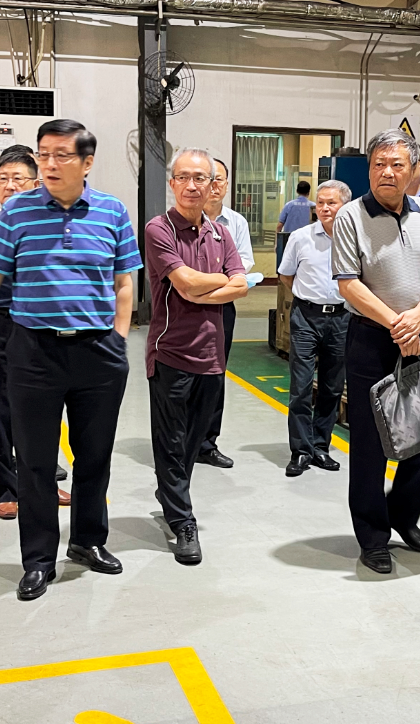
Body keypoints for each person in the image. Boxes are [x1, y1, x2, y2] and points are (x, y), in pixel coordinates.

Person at [0, 119, 141, 602]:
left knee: (94, 455)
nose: (49, 164)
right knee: (34, 461)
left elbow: (124, 282)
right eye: (43, 154)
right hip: (33, 352)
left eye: (61, 155)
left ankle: (88, 541)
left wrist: (117, 340)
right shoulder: (17, 213)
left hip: (98, 352)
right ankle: (38, 559)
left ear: (87, 163)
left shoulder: (113, 212)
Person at [332, 129, 420, 575]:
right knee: (371, 444)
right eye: (379, 163)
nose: (387, 172)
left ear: (414, 170)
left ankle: (402, 513)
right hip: (372, 339)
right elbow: (349, 284)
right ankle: (372, 536)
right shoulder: (350, 216)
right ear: (369, 169)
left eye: (397, 164)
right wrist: (399, 326)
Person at [144, 148, 248, 566]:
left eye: (200, 178)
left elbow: (242, 285)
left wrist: (209, 287)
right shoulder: (159, 229)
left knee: (191, 442)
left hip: (211, 355)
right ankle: (183, 521)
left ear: (212, 186)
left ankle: (171, 494)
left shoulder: (221, 234)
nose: (192, 185)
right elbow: (184, 283)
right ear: (173, 183)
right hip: (171, 352)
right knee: (170, 443)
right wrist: (220, 281)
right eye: (183, 177)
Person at [0, 146, 71, 519]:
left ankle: (42, 482)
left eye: (17, 179)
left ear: (35, 184)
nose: (9, 186)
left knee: (42, 403)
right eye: (3, 179)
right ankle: (4, 489)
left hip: (41, 321)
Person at [278, 180, 351, 477]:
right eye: (320, 203)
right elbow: (286, 276)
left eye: (331, 203)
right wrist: (308, 298)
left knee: (332, 387)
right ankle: (300, 450)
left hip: (343, 319)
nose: (324, 208)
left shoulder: (355, 239)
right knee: (301, 387)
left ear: (345, 205)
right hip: (306, 318)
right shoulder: (301, 237)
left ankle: (321, 446)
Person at [196, 157, 255, 470]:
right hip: (185, 307)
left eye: (220, 179)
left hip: (222, 308)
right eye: (210, 178)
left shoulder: (236, 223)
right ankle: (181, 442)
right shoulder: (181, 220)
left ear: (227, 185)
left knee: (215, 373)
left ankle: (207, 443)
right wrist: (222, 276)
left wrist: (207, 281)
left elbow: (242, 266)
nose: (215, 185)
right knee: (182, 375)